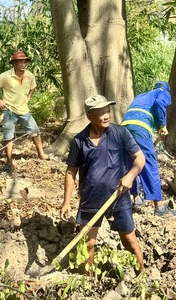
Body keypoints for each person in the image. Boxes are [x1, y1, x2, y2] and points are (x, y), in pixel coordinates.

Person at [60, 95, 146, 273]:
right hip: (90, 199)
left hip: (118, 198)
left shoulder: (120, 133)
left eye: (108, 111)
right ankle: (88, 280)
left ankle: (141, 275)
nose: (107, 115)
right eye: (101, 113)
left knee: (129, 240)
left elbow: (139, 157)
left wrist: (130, 176)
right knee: (88, 243)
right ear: (90, 116)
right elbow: (71, 172)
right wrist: (66, 202)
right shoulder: (79, 141)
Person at [122, 81, 176, 218]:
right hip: (140, 129)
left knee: (132, 163)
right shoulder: (162, 93)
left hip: (125, 127)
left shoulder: (142, 96)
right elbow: (160, 103)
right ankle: (159, 207)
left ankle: (136, 199)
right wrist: (162, 125)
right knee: (150, 164)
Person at [0, 51, 45, 171]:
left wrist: (27, 99)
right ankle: (9, 161)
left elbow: (33, 88)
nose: (23, 64)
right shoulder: (6, 76)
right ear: (14, 63)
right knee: (8, 136)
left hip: (24, 110)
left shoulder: (30, 75)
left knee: (35, 131)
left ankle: (41, 155)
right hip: (9, 110)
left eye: (25, 62)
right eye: (20, 62)